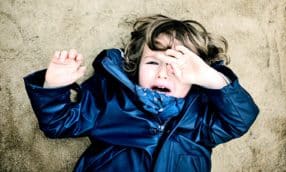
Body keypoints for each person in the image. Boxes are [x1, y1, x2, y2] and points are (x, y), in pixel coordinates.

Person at [24, 14, 259, 172]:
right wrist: (53, 86)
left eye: (177, 67)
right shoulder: (111, 98)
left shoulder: (201, 117)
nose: (163, 74)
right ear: (135, 68)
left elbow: (240, 119)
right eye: (152, 63)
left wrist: (213, 79)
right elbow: (58, 124)